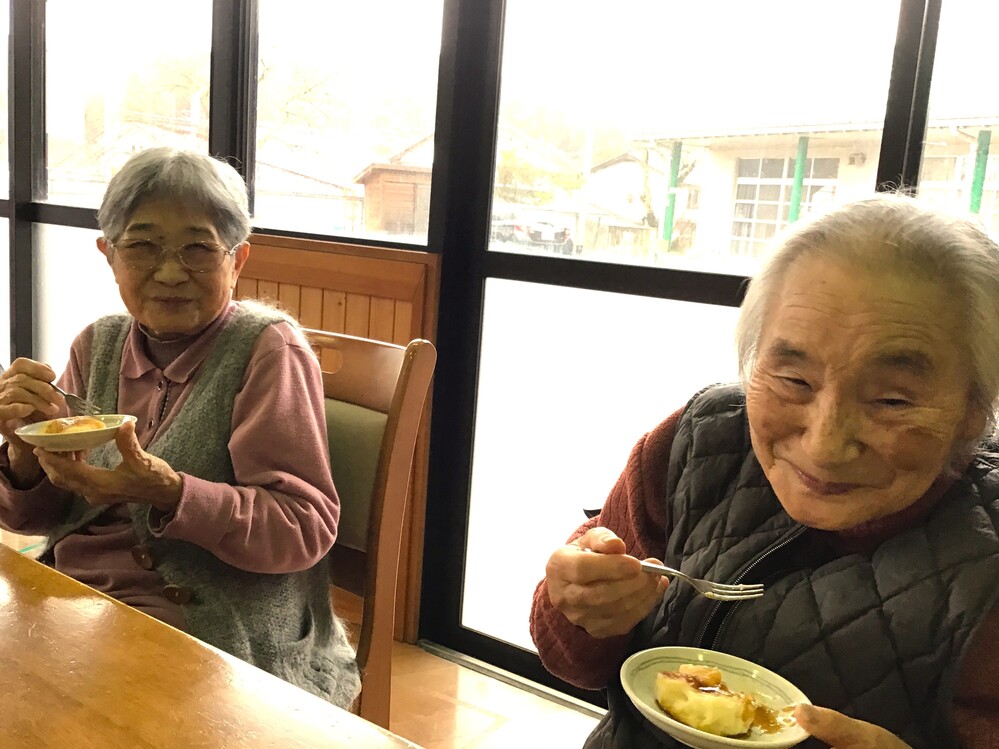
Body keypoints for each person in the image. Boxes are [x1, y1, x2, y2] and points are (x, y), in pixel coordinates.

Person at [531, 196, 999, 748]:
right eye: (794, 381)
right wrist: (582, 608)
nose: (825, 446)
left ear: (974, 408)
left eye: (892, 400)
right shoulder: (701, 438)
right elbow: (575, 658)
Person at [0, 147, 360, 708]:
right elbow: (39, 517)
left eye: (198, 248)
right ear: (109, 256)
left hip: (213, 624)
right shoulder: (98, 344)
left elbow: (303, 527)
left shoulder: (268, 351)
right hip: (79, 598)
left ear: (236, 261)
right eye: (143, 246)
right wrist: (26, 454)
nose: (170, 273)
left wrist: (171, 494)